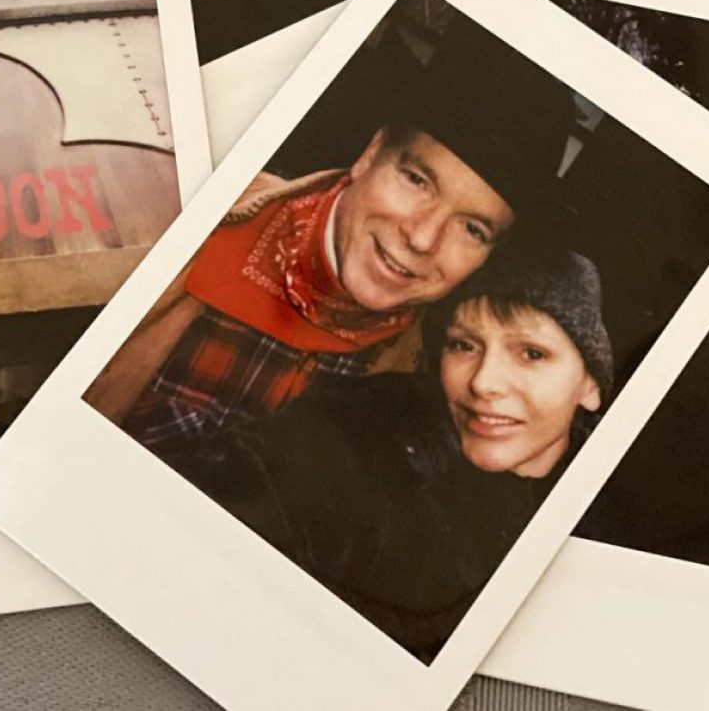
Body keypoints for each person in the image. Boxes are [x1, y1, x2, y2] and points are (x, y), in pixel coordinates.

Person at [84, 16, 575, 457]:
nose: (423, 238)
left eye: (472, 228)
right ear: (370, 155)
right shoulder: (190, 213)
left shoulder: (436, 379)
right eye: (416, 180)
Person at [176, 247, 612, 661]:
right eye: (464, 345)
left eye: (532, 354)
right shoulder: (366, 426)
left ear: (590, 385)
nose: (483, 382)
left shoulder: (602, 532)